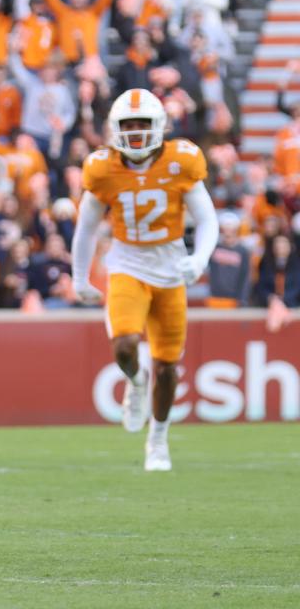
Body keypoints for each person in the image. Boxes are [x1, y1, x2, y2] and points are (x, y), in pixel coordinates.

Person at [71, 88, 218, 472]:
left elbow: (207, 219)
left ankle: (158, 439)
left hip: (170, 267)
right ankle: (136, 383)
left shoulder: (182, 159)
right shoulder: (102, 167)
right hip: (127, 263)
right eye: (127, 124)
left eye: (142, 124)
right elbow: (86, 229)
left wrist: (199, 258)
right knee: (124, 346)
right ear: (114, 128)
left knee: (168, 366)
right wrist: (80, 277)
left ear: (160, 126)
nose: (135, 132)